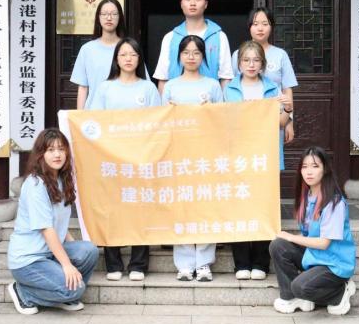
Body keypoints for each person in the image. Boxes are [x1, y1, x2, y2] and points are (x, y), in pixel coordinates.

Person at [89, 37, 161, 282]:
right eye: (123, 55)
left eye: (133, 54)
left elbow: (157, 123)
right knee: (112, 211)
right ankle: (113, 263)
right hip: (111, 159)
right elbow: (94, 122)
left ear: (139, 59)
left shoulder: (148, 88)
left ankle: (139, 264)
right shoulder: (105, 88)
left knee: (140, 210)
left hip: (140, 160)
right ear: (116, 59)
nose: (128, 59)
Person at [7, 128, 99, 315]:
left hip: (49, 254)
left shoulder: (61, 180)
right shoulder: (35, 185)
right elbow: (47, 229)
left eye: (61, 149)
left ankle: (63, 293)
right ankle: (24, 292)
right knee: (75, 289)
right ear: (40, 154)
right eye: (50, 150)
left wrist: (75, 252)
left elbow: (59, 223)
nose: (57, 154)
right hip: (29, 260)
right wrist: (66, 264)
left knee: (88, 250)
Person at [223, 41, 290, 281]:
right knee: (238, 207)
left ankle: (261, 262)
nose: (251, 65)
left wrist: (286, 110)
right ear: (239, 63)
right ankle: (241, 263)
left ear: (263, 64)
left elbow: (280, 123)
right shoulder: (228, 90)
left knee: (264, 208)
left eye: (256, 60)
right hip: (237, 157)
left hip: (265, 156)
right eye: (246, 60)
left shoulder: (272, 89)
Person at [162, 35, 223, 282]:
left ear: (203, 57)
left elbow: (223, 120)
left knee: (206, 205)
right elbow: (160, 121)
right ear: (179, 56)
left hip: (206, 154)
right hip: (179, 154)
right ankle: (185, 264)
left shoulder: (213, 85)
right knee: (183, 206)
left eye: (196, 52)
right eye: (186, 52)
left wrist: (211, 110)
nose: (191, 57)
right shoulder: (170, 86)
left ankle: (204, 263)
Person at [269, 146, 357, 315]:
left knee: (300, 286)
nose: (309, 172)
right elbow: (308, 235)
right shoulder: (306, 197)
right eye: (305, 166)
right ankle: (291, 297)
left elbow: (324, 243)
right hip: (315, 256)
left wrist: (291, 237)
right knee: (278, 245)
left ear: (325, 170)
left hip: (334, 264)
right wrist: (287, 238)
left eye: (315, 166)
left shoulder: (334, 202)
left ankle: (340, 292)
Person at [153, 0, 233, 93]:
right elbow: (163, 78)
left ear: (206, 4)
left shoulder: (219, 36)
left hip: (209, 101)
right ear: (181, 4)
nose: (193, 3)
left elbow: (225, 77)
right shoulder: (170, 37)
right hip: (177, 101)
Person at [231, 7, 296, 143]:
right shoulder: (238, 55)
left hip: (274, 119)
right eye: (255, 24)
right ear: (249, 27)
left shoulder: (280, 55)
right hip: (244, 121)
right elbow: (233, 86)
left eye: (265, 24)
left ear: (271, 27)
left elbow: (287, 89)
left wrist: (289, 120)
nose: (260, 28)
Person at [70, 0, 126, 110]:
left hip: (122, 113)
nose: (109, 18)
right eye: (104, 14)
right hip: (94, 113)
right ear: (98, 18)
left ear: (120, 17)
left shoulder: (128, 48)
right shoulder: (87, 50)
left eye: (114, 14)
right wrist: (80, 116)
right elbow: (83, 87)